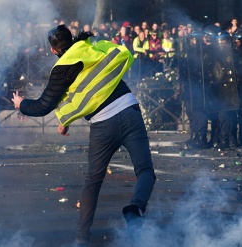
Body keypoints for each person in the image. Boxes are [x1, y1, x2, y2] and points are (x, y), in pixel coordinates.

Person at [11, 25, 156, 246]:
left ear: (52, 50)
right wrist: (66, 118)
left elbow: (43, 106)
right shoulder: (90, 47)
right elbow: (88, 88)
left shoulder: (61, 68)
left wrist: (22, 105)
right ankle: (136, 208)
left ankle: (82, 239)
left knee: (93, 181)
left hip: (102, 126)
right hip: (129, 111)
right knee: (145, 171)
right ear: (71, 39)